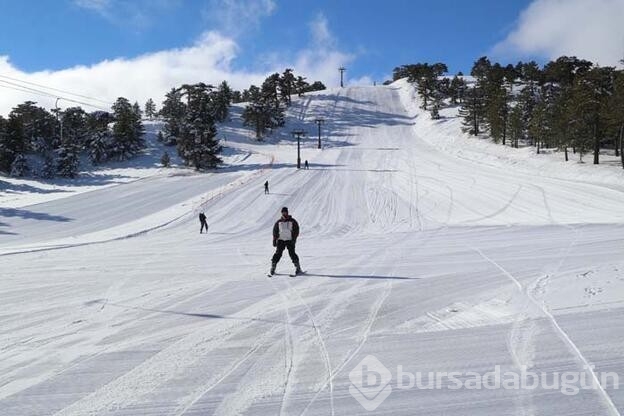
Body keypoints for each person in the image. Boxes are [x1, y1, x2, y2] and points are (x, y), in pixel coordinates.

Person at [270, 206, 302, 275]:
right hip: (281, 240)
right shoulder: (279, 222)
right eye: (283, 212)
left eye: (285, 212)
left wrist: (294, 239)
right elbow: (275, 231)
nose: (284, 213)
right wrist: (274, 240)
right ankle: (273, 267)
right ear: (281, 213)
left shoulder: (292, 221)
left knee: (292, 254)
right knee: (278, 254)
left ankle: (298, 268)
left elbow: (296, 230)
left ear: (287, 212)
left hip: (289, 240)